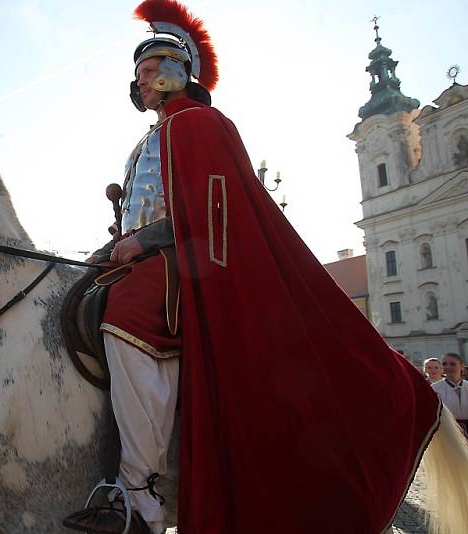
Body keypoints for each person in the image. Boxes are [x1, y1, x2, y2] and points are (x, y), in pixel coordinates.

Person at [66, 1, 440, 533]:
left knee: (127, 311)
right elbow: (139, 211)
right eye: (138, 74)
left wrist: (143, 243)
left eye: (151, 70)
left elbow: (209, 210)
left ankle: (139, 492)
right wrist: (110, 250)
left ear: (177, 73)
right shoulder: (148, 138)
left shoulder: (202, 124)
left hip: (185, 262)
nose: (142, 81)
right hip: (145, 255)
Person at [431, 353, 468, 434]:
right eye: (444, 364)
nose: (448, 367)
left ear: (461, 366)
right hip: (447, 433)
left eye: (452, 364)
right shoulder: (435, 388)